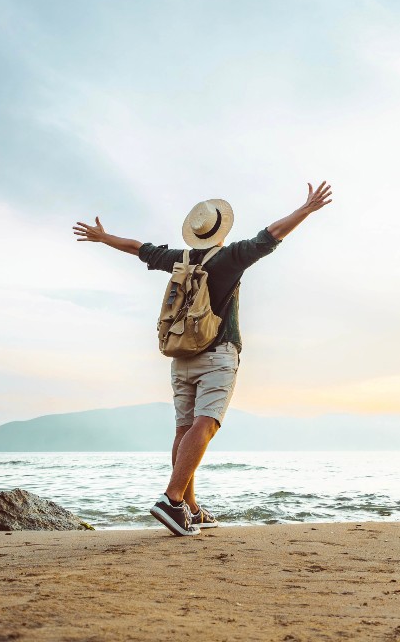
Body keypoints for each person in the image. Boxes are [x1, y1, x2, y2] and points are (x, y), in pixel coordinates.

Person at [72, 182, 334, 535]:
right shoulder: (229, 257)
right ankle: (171, 498)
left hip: (180, 354)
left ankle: (189, 510)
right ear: (220, 231)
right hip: (218, 352)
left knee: (183, 428)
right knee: (206, 423)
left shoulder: (177, 259)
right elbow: (271, 235)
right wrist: (305, 209)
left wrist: (104, 238)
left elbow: (138, 248)